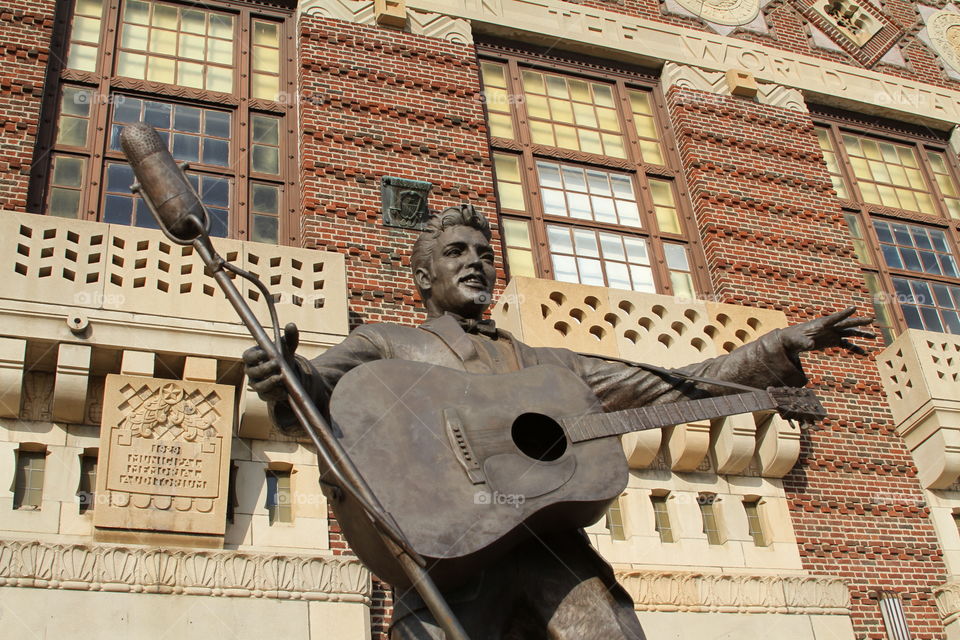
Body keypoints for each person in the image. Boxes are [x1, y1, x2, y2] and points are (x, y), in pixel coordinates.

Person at [244, 204, 874, 640]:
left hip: (555, 557)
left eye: (485, 254)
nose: (475, 262)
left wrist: (776, 348)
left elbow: (666, 383)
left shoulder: (548, 366)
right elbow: (321, 391)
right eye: (455, 251)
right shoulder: (386, 343)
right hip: (446, 562)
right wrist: (287, 377)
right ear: (421, 277)